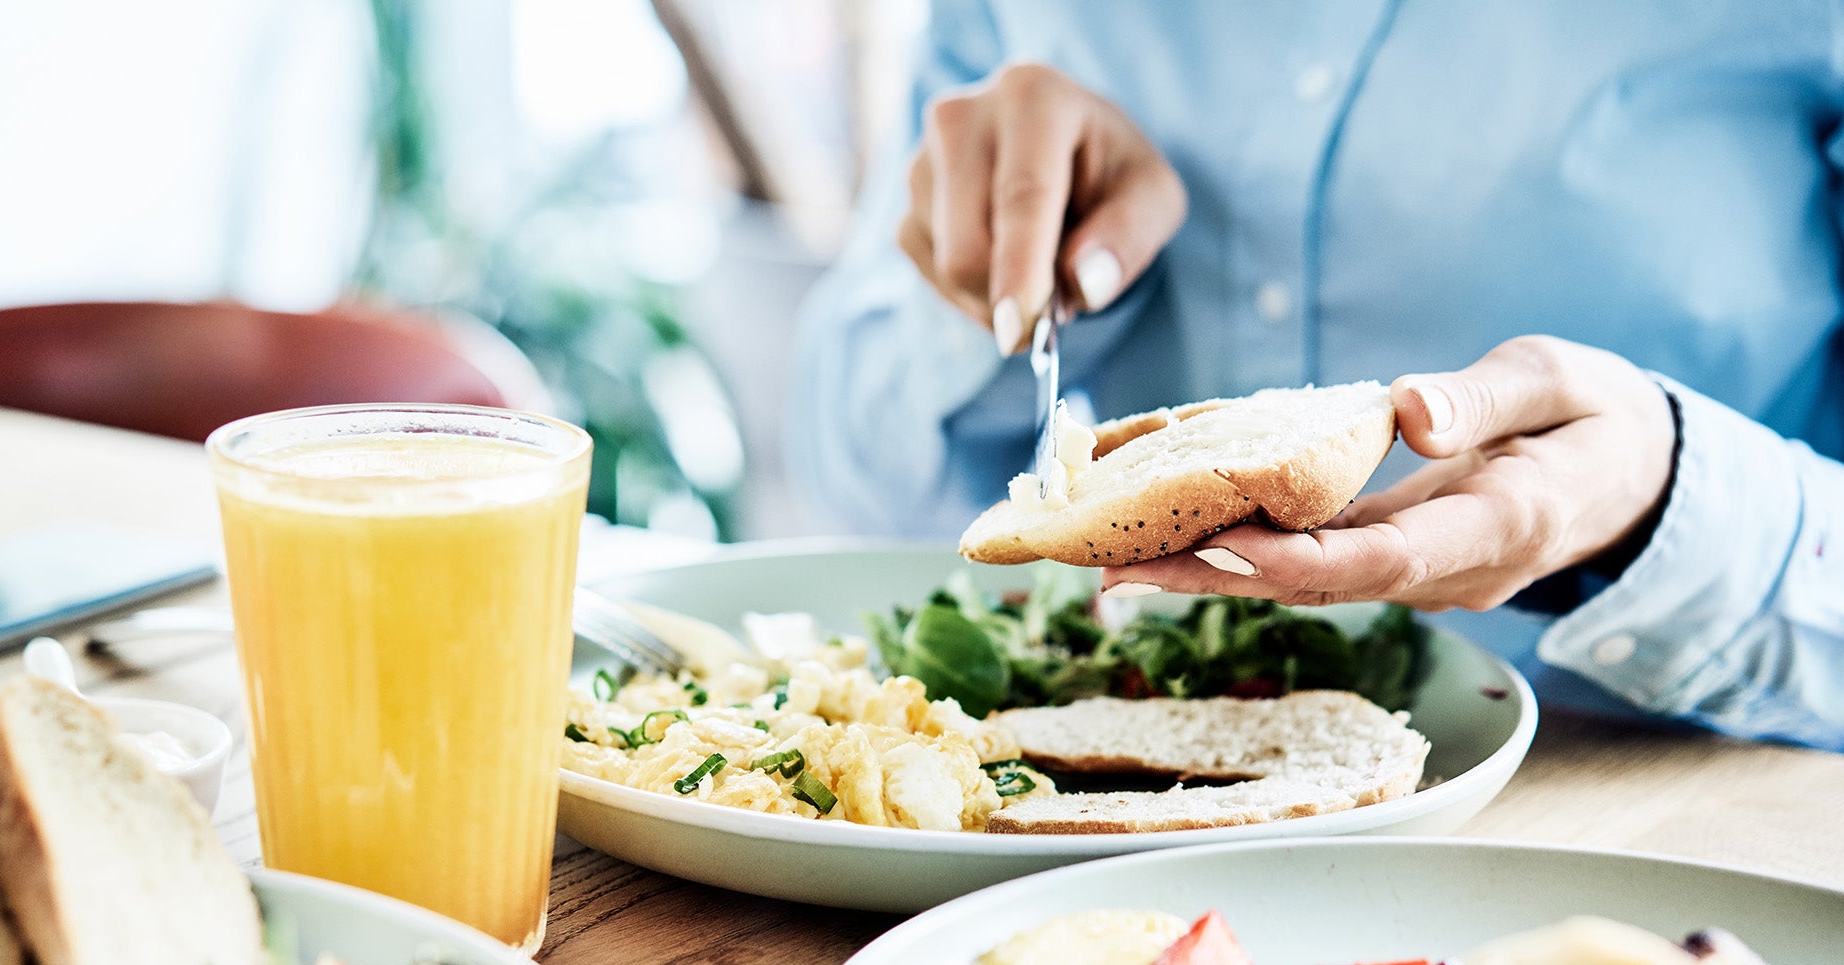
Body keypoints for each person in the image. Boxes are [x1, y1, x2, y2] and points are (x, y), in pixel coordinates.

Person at [787, 1, 1844, 750]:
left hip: (1653, 828)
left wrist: (1671, 501)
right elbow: (854, 471)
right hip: (1078, 806)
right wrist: (997, 289)